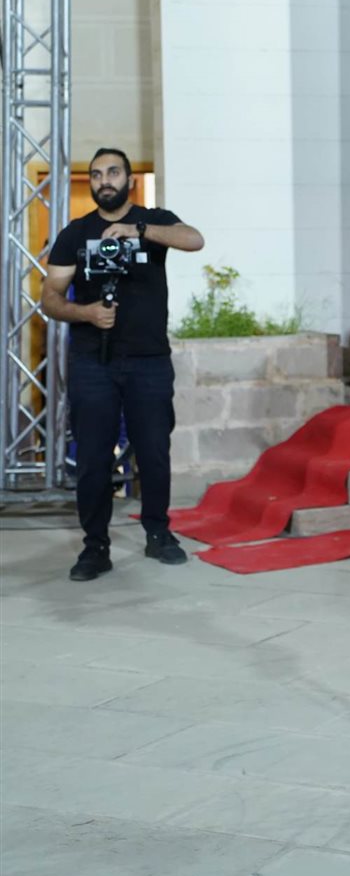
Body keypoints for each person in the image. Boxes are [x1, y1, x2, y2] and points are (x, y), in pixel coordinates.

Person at [41, 148, 205, 581]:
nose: (104, 180)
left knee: (153, 451)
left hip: (149, 360)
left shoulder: (154, 220)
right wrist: (86, 313)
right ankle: (95, 546)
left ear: (129, 179)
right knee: (93, 457)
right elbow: (50, 298)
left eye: (113, 172)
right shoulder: (75, 234)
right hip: (92, 362)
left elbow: (194, 239)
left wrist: (139, 230)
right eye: (97, 175)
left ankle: (158, 533)